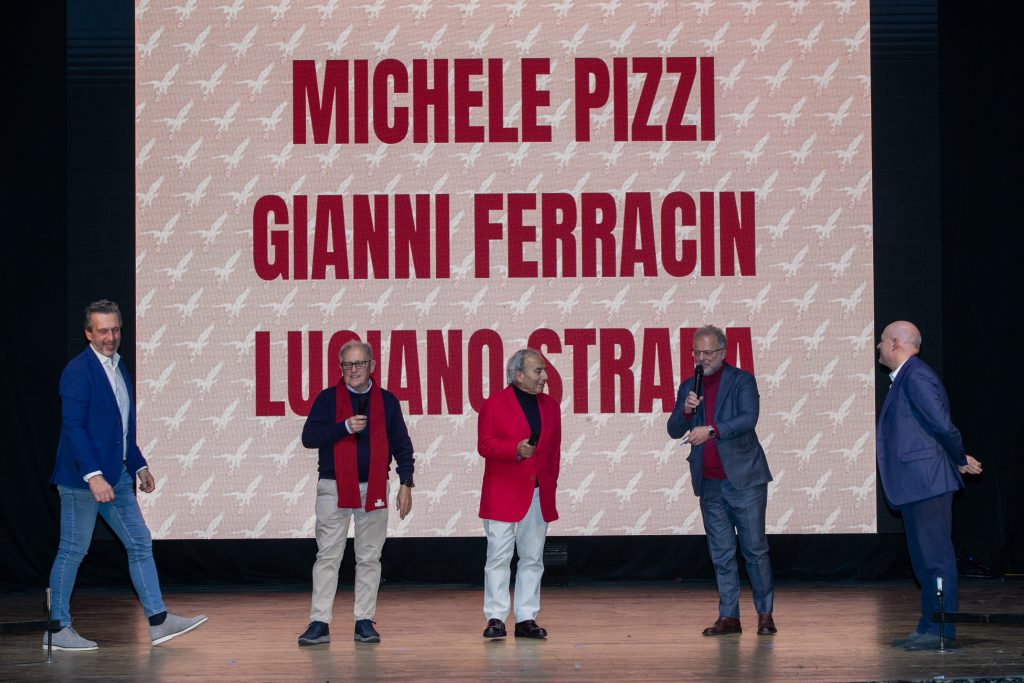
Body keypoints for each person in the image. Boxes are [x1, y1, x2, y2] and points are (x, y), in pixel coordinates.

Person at [46, 300, 207, 651]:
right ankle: (57, 629)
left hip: (116, 476)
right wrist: (93, 476)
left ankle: (159, 621)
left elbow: (122, 430)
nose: (111, 337)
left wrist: (138, 465)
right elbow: (73, 428)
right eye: (103, 330)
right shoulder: (78, 371)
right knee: (73, 550)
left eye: (116, 329)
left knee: (139, 543)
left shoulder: (118, 368)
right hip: (81, 480)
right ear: (88, 333)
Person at [297, 341, 414, 646]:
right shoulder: (327, 399)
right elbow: (309, 437)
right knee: (327, 556)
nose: (353, 370)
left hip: (373, 488)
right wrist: (344, 428)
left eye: (359, 363)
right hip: (333, 487)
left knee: (370, 557)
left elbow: (402, 445)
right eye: (347, 365)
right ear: (341, 368)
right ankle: (319, 622)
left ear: (372, 366)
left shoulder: (387, 401)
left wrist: (406, 483)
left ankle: (364, 620)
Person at [875, 321, 982, 651]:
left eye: (882, 341)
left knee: (935, 559)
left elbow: (941, 425)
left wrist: (959, 457)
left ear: (896, 344)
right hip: (916, 483)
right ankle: (928, 626)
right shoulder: (906, 377)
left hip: (927, 482)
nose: (878, 346)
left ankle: (942, 631)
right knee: (923, 561)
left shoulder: (916, 376)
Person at [667, 325, 776, 637]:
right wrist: (686, 411)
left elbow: (748, 419)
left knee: (754, 550)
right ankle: (729, 616)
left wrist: (712, 430)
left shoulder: (742, 380)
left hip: (745, 481)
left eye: (708, 353)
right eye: (697, 353)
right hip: (710, 483)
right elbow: (674, 429)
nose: (702, 358)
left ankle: (765, 614)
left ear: (723, 353)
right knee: (721, 553)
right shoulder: (689, 386)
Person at [477, 349, 560, 639]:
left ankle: (526, 617)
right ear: (519, 375)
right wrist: (514, 449)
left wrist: (550, 484)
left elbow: (553, 453)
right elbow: (485, 445)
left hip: (538, 494)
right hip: (502, 492)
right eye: (538, 371)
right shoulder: (494, 404)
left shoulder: (551, 406)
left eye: (544, 370)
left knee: (533, 558)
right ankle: (496, 617)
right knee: (498, 557)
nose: (545, 376)